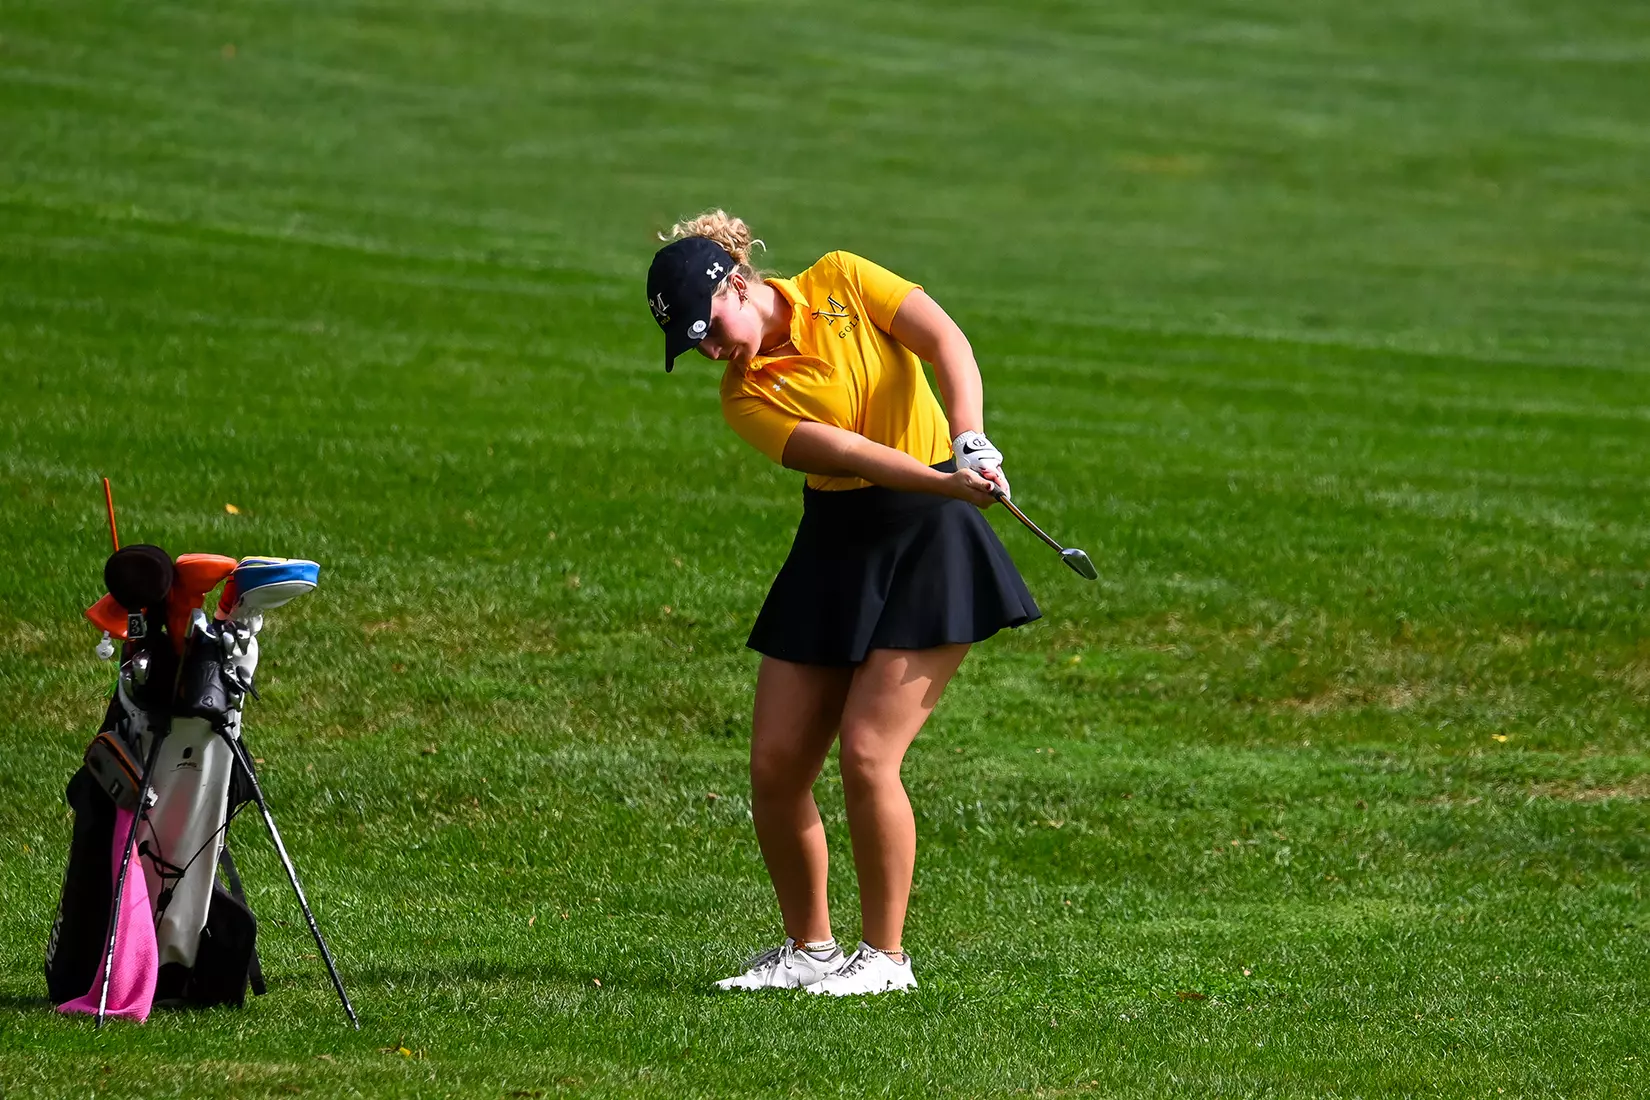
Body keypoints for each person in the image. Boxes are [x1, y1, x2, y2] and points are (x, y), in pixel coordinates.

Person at [646, 210, 1040, 995]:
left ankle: (887, 961)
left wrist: (969, 441)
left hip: (931, 537)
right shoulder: (744, 396)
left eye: (709, 326)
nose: (709, 349)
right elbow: (849, 454)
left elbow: (945, 340)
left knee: (867, 753)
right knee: (777, 765)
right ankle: (810, 949)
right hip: (839, 540)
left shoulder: (843, 280)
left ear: (739, 282)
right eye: (693, 343)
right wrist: (944, 479)